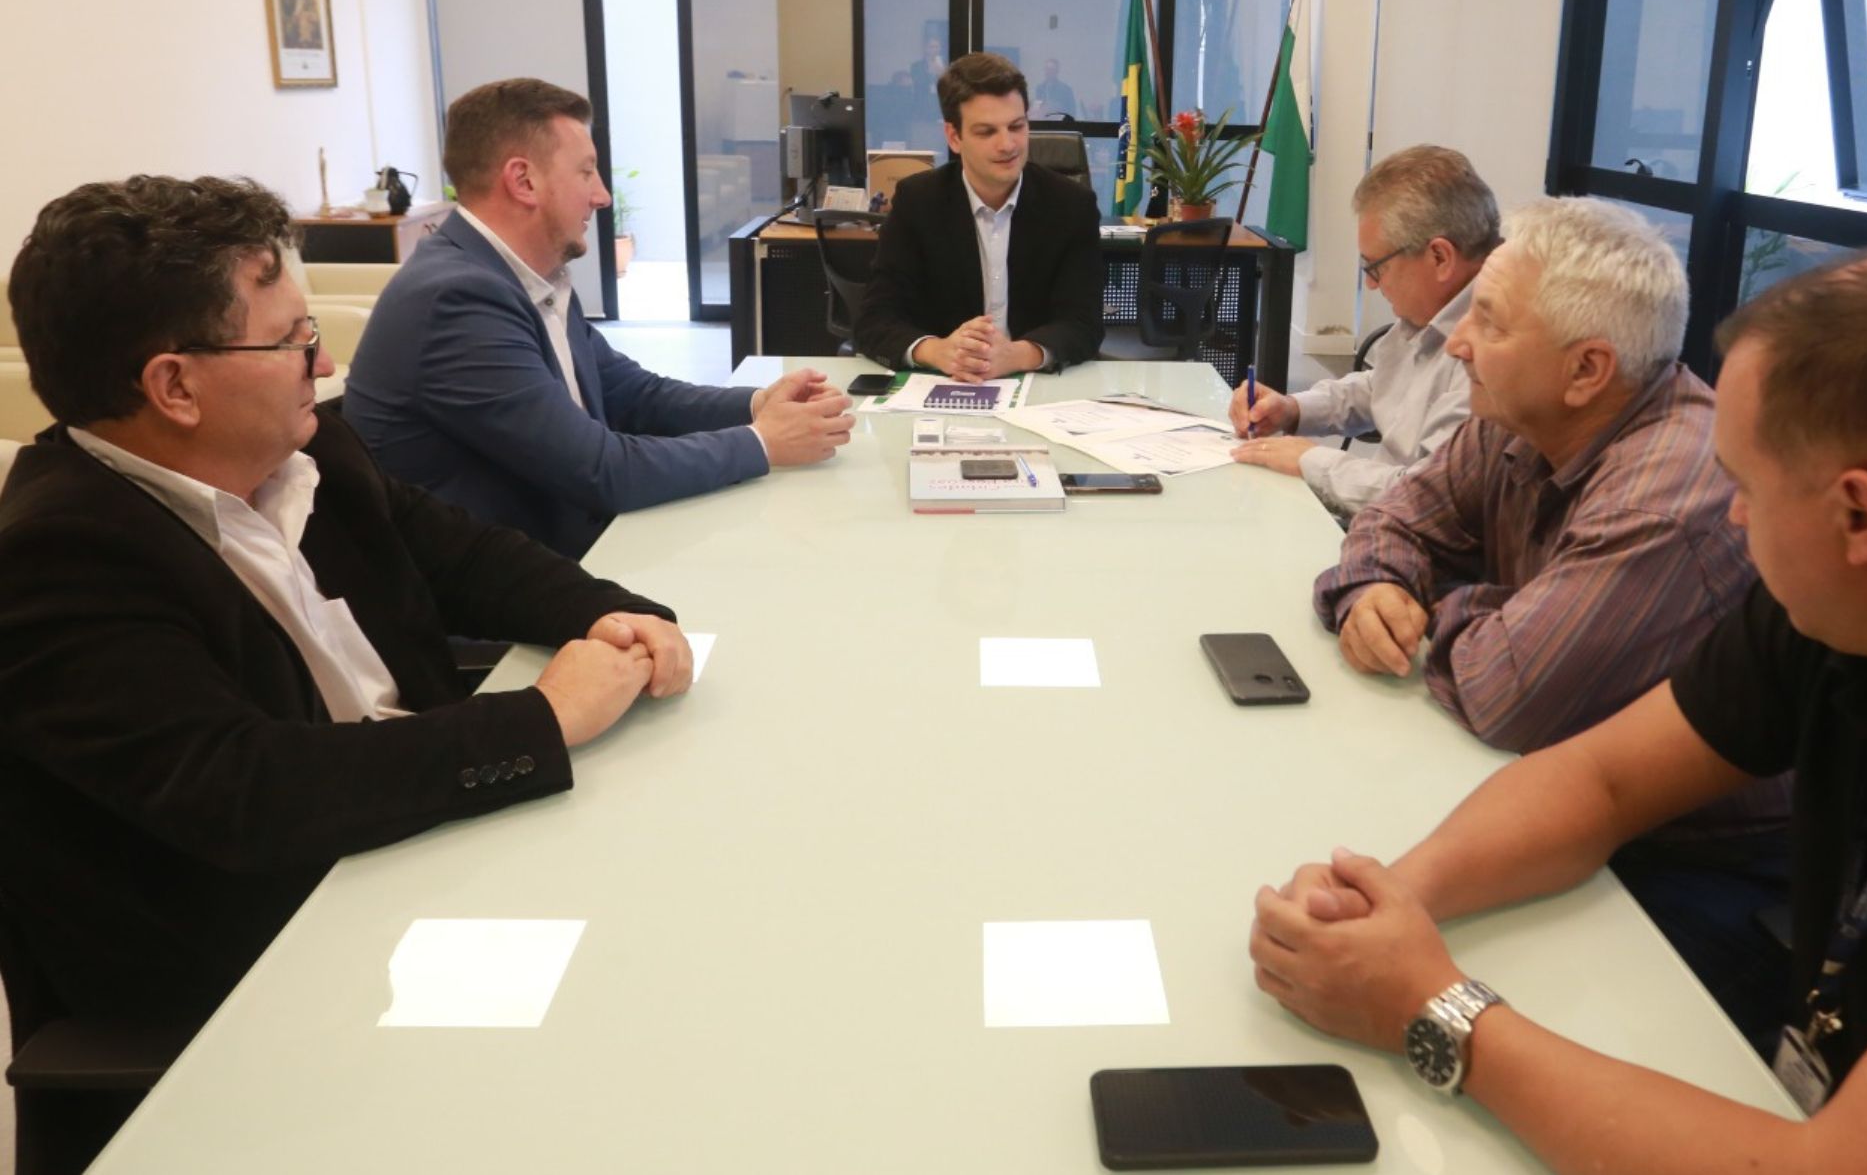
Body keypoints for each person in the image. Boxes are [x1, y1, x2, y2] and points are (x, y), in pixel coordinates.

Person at [1250, 249, 1867, 1173]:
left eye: (1748, 487)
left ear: (1860, 518)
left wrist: (1430, 1007)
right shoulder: (1839, 614)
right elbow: (1600, 780)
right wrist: (1393, 899)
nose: (1733, 519)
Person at [0, 175, 694, 1046]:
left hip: (432, 851)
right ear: (175, 387)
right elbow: (248, 790)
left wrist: (611, 613)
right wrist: (544, 717)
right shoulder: (58, 560)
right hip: (285, 980)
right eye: (294, 342)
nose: (324, 366)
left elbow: (464, 555)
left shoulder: (307, 447)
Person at [1314, 196, 1789, 1036]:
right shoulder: (1516, 416)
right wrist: (1372, 587)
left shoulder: (1670, 490)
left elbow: (1506, 694)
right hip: (1565, 795)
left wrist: (1440, 601)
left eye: (1489, 322)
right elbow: (1393, 520)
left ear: (1587, 370)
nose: (1457, 343)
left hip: (1699, 866)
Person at [345, 78, 853, 559]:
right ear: (523, 181)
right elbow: (601, 471)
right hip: (502, 592)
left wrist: (757, 403)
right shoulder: (457, 300)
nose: (603, 195)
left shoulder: (523, 277)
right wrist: (762, 441)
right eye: (586, 172)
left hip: (560, 551)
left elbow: (632, 394)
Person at [1230, 145, 1494, 517]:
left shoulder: (1494, 346)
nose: (1371, 285)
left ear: (1440, 257)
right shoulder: (1430, 312)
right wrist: (1293, 409)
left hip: (1405, 533)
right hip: (1379, 524)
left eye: (1376, 267)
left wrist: (1310, 461)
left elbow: (1428, 497)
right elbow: (1381, 386)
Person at [855, 53, 1105, 379]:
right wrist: (938, 351)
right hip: (943, 383)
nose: (1007, 145)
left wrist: (1017, 355)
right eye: (987, 132)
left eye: (1016, 126)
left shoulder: (1071, 205)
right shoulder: (918, 201)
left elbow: (1084, 324)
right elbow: (874, 319)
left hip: (1038, 384)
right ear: (954, 137)